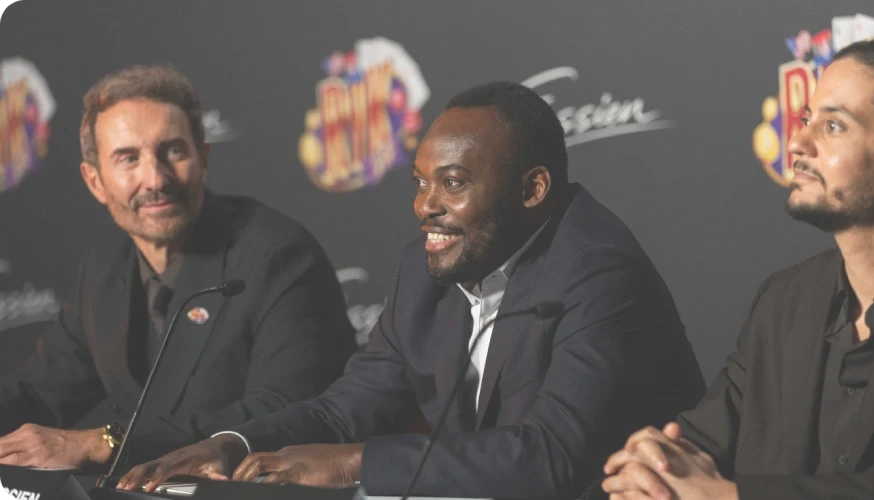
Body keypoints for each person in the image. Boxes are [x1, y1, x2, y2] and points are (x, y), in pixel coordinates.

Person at [118, 81, 707, 498]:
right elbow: (345, 409)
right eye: (422, 182)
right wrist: (234, 443)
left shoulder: (598, 272)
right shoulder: (427, 269)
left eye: (452, 184)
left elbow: (550, 457)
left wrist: (353, 464)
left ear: (532, 190)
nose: (426, 207)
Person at [602, 40, 874, 500]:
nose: (796, 142)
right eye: (807, 120)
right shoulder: (786, 300)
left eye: (833, 126)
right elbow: (704, 439)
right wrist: (657, 464)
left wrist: (732, 498)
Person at [0, 65, 357, 472]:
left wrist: (108, 442)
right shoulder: (104, 260)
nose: (155, 179)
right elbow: (41, 390)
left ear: (203, 159)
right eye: (128, 158)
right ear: (95, 181)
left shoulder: (279, 255)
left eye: (173, 152)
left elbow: (287, 410)